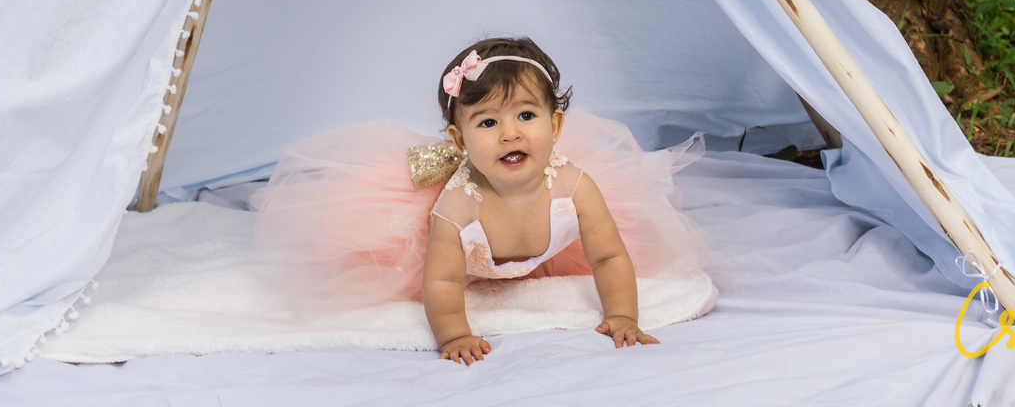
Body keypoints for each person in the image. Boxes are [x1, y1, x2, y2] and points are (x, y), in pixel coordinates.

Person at [255, 37, 710, 365]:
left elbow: (609, 256)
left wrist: (622, 314)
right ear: (460, 139)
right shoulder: (456, 209)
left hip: (543, 241)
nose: (510, 133)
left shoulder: (575, 187)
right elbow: (443, 282)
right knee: (401, 254)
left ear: (555, 126)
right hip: (458, 253)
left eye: (526, 115)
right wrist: (454, 335)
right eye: (488, 122)